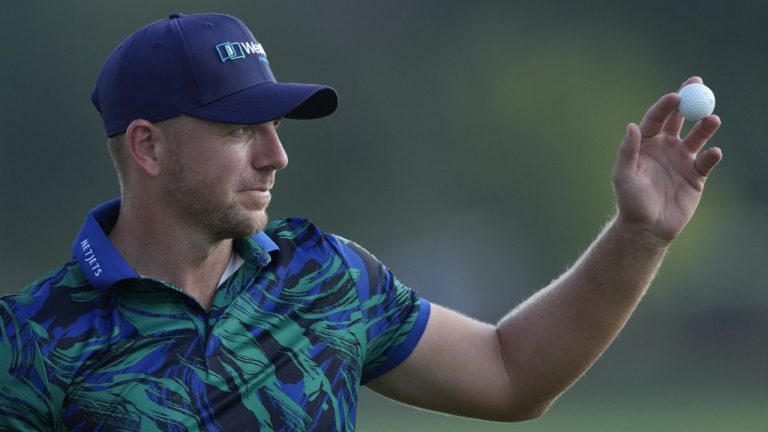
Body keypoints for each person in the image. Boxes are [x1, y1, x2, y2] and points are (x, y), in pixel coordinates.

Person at [0, 12, 722, 431]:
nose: (276, 155)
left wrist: (639, 237)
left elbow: (512, 374)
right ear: (148, 146)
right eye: (236, 131)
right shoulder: (29, 343)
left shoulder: (325, 276)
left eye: (276, 126)